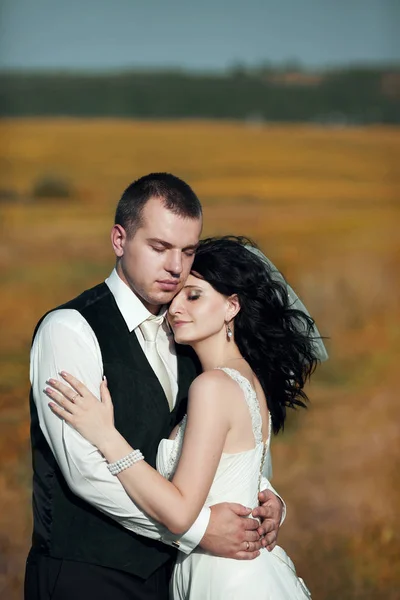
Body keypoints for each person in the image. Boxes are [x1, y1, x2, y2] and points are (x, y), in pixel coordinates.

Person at [25, 174, 285, 600]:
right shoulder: (70, 330)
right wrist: (198, 531)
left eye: (187, 251)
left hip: (174, 579)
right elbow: (85, 472)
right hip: (86, 575)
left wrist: (268, 501)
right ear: (119, 240)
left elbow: (228, 445)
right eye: (159, 248)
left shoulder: (188, 333)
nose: (176, 268)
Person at [46, 236, 323, 599]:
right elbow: (240, 470)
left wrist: (105, 434)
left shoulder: (212, 387)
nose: (176, 308)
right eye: (176, 296)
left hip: (224, 576)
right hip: (235, 568)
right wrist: (273, 504)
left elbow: (179, 513)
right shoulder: (245, 379)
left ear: (232, 307)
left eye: (194, 296)